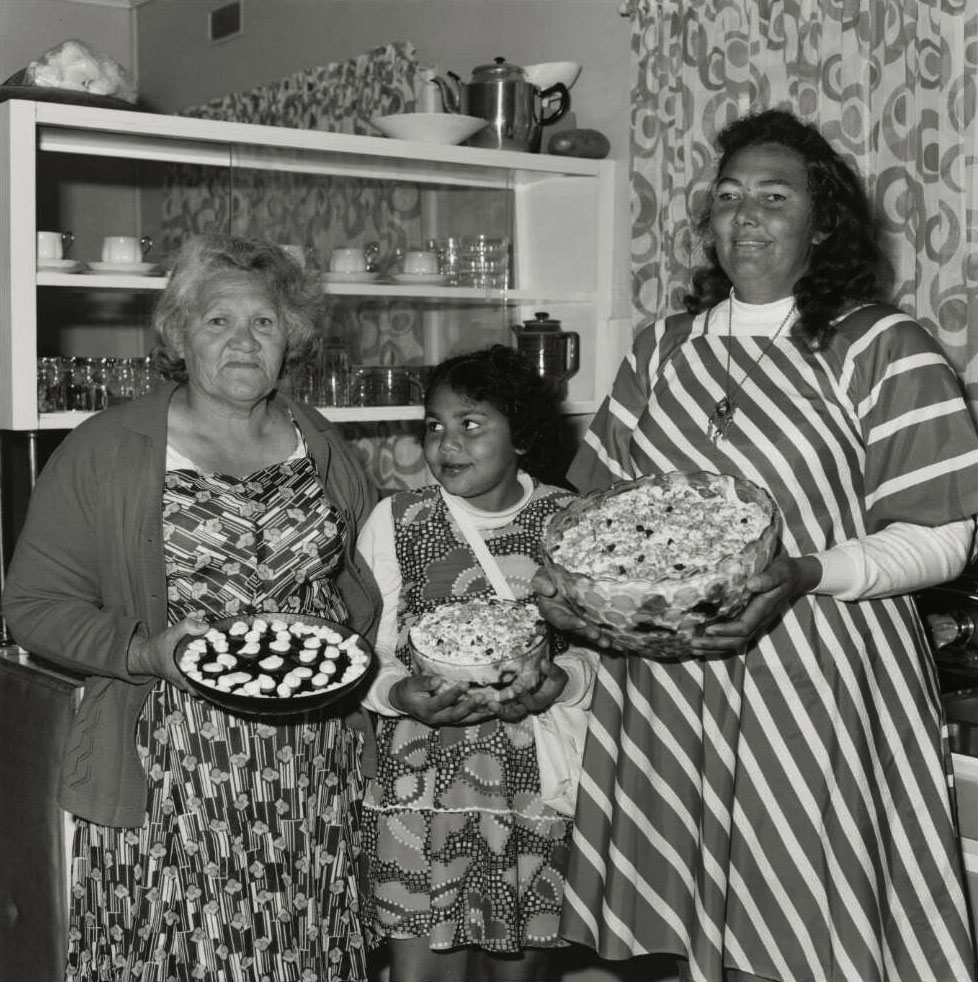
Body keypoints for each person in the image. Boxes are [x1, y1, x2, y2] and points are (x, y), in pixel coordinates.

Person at [534, 108, 978, 982]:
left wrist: (808, 572)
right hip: (667, 680)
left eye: (775, 197)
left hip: (819, 672)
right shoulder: (661, 352)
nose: (745, 216)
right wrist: (561, 597)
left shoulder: (880, 347)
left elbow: (943, 537)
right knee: (693, 931)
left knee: (808, 931)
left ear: (823, 222)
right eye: (729, 195)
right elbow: (592, 521)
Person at [2, 233, 382, 982]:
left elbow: (372, 580)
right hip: (171, 758)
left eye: (264, 322)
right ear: (179, 337)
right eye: (218, 321)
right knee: (181, 953)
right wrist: (143, 650)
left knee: (303, 945)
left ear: (290, 337)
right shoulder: (107, 448)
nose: (244, 341)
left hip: (314, 762)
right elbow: (34, 605)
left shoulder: (319, 441)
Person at [356, 344, 599, 982]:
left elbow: (599, 651)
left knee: (513, 973)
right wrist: (397, 694)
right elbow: (365, 650)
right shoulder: (398, 520)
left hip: (532, 777)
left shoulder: (567, 520)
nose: (447, 444)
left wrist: (562, 683)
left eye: (471, 424)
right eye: (434, 425)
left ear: (521, 436)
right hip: (421, 779)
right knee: (419, 975)